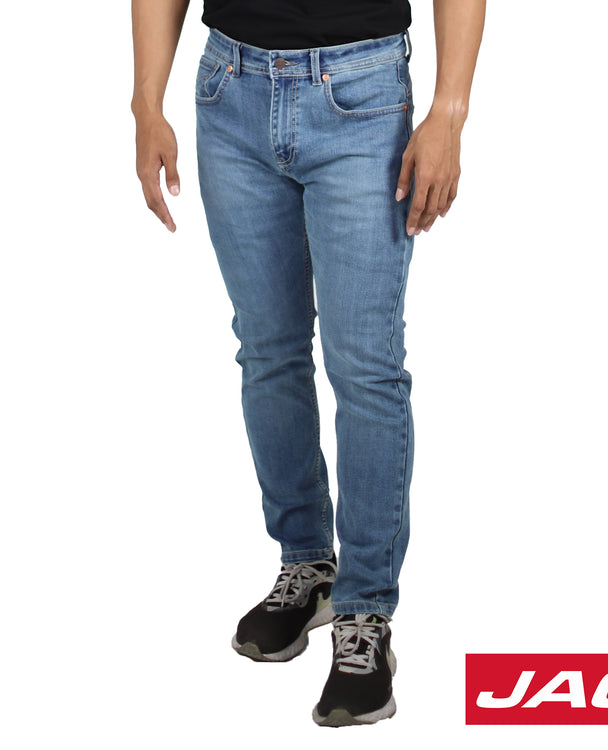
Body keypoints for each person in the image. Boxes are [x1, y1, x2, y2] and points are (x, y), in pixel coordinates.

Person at [131, 0, 485, 727]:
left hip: (362, 95)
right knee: (267, 352)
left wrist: (449, 112)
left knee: (366, 368)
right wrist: (146, 101)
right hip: (230, 90)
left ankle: (365, 610)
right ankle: (307, 565)